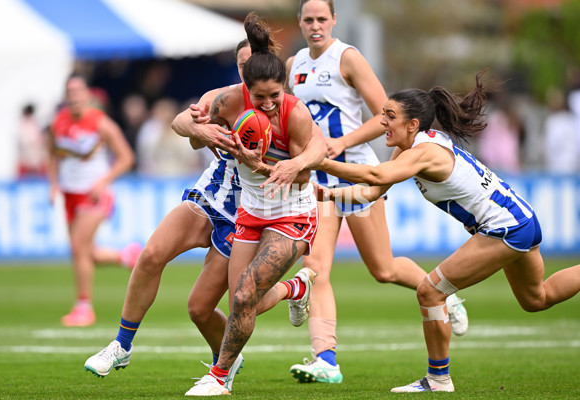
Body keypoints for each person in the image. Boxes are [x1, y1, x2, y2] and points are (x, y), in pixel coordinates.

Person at [313, 69, 580, 392]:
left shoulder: (424, 152)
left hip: (505, 228)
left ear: (413, 124)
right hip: (520, 219)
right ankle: (438, 378)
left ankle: (438, 379)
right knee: (537, 298)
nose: (382, 121)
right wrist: (328, 194)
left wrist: (320, 162)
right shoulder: (415, 146)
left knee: (430, 291)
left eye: (389, 116)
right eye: (383, 114)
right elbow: (372, 191)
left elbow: (373, 175)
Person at [83, 38, 325, 393]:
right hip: (211, 194)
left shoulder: (287, 109)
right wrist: (200, 129)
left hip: (249, 210)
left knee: (212, 306)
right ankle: (122, 345)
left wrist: (285, 165)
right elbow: (183, 121)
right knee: (151, 255)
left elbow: (315, 150)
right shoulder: (229, 97)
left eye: (251, 66)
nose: (246, 74)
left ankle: (293, 289)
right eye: (241, 68)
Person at [285, 0, 468, 383]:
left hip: (358, 174)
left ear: (334, 20)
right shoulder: (294, 65)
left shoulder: (347, 58)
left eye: (322, 18)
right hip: (319, 182)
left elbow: (387, 115)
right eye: (308, 19)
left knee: (383, 269)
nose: (315, 25)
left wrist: (340, 142)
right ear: (299, 22)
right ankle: (326, 359)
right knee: (315, 269)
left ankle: (446, 295)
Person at [183, 12, 327, 396]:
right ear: (245, 87)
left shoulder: (294, 113)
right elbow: (194, 136)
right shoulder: (229, 101)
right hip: (250, 213)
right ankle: (296, 289)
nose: (265, 105)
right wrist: (203, 130)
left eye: (274, 96)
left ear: (284, 89)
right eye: (259, 97)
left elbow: (300, 175)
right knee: (240, 305)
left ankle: (219, 377)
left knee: (246, 295)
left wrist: (258, 163)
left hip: (292, 215)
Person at [48, 74, 142, 327]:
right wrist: (54, 183)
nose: (75, 96)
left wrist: (103, 181)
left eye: (79, 91)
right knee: (84, 252)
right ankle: (126, 257)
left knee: (79, 247)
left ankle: (83, 307)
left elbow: (126, 158)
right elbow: (53, 155)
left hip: (94, 194)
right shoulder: (58, 123)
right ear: (66, 96)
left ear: (87, 94)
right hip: (69, 193)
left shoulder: (101, 123)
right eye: (71, 91)